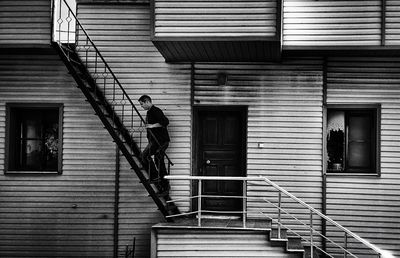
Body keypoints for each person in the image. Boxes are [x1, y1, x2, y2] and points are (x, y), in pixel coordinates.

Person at [138, 95, 170, 193]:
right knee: (149, 157)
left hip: (161, 141)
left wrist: (152, 126)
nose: (141, 106)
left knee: (155, 159)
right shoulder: (149, 112)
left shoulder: (156, 110)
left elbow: (165, 122)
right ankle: (157, 178)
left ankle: (163, 183)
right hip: (155, 141)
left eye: (142, 104)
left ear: (147, 101)